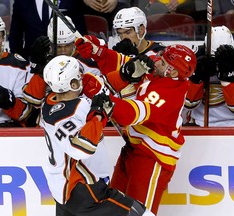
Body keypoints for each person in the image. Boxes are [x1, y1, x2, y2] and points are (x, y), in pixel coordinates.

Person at [78, 43, 197, 215]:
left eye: (162, 62)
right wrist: (98, 51)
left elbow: (131, 114)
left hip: (152, 158)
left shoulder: (170, 92)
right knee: (113, 207)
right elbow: (124, 64)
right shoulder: (160, 72)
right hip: (133, 150)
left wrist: (105, 99)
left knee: (139, 212)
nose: (156, 62)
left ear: (173, 72)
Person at [40, 54, 155, 216]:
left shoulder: (55, 98)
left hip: (65, 191)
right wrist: (99, 116)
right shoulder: (63, 116)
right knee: (140, 213)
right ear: (72, 84)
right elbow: (80, 147)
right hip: (81, 189)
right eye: (78, 77)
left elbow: (100, 89)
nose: (82, 77)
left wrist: (125, 74)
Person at [22, 16, 101, 126]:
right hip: (49, 123)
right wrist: (40, 69)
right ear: (50, 44)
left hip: (81, 121)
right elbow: (33, 101)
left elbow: (99, 97)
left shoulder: (89, 61)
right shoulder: (42, 58)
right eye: (58, 47)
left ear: (74, 42)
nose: (63, 51)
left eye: (67, 45)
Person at [184, 25, 234, 127]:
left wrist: (229, 78)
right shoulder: (193, 58)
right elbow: (187, 105)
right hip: (198, 123)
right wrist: (196, 79)